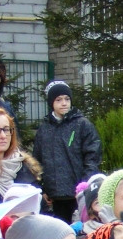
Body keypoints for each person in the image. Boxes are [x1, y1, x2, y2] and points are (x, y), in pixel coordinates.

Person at [32, 80, 103, 223]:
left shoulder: (82, 125)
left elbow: (92, 156)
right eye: (59, 100)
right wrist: (42, 189)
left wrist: (84, 184)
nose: (64, 103)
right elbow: (37, 161)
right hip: (55, 196)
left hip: (77, 193)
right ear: (51, 103)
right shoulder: (44, 129)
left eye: (67, 99)